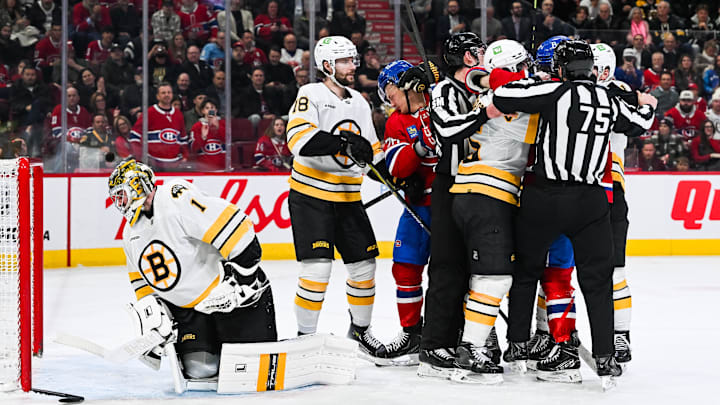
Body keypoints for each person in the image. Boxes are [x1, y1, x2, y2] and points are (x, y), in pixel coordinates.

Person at [489, 40, 656, 380]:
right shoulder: (608, 98)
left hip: (545, 196)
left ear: (562, 69)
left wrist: (534, 80)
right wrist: (648, 101)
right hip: (591, 201)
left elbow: (503, 97)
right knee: (597, 281)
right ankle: (607, 354)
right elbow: (641, 123)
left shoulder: (554, 92)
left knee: (527, 272)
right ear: (591, 70)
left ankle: (518, 342)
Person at [108, 159, 277, 380]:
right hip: (188, 315)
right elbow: (142, 284)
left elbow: (237, 228)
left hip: (232, 301)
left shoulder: (175, 198)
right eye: (116, 198)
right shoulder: (130, 235)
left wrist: (243, 283)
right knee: (201, 372)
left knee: (251, 372)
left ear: (138, 185)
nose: (120, 203)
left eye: (122, 195)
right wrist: (155, 321)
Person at [285, 36, 388, 360]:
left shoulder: (359, 100)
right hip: (311, 197)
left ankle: (360, 333)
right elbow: (299, 139)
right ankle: (304, 339)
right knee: (316, 271)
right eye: (344, 61)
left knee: (364, 267)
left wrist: (396, 178)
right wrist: (343, 144)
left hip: (348, 198)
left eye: (353, 60)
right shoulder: (310, 94)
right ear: (327, 65)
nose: (352, 66)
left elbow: (371, 153)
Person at [419, 32, 493, 378]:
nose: (482, 54)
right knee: (447, 266)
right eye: (477, 51)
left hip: (482, 186)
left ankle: (470, 340)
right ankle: (434, 343)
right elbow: (448, 130)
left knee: (474, 267)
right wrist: (485, 112)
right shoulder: (444, 91)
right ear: (465, 57)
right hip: (452, 187)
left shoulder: (482, 88)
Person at [376, 60, 438, 366]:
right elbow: (398, 166)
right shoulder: (396, 122)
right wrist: (418, 149)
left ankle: (449, 336)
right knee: (404, 268)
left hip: (449, 206)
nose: (387, 99)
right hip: (417, 207)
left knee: (449, 275)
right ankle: (412, 334)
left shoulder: (441, 103)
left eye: (389, 90)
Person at [129, 82, 189, 170]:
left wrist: (185, 156)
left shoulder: (178, 114)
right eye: (163, 93)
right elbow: (134, 136)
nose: (167, 95)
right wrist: (141, 157)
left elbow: (183, 139)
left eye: (169, 92)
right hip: (154, 165)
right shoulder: (149, 112)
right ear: (157, 96)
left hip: (175, 164)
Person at [189, 98, 227, 171]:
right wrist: (203, 137)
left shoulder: (223, 123)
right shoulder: (197, 126)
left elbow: (227, 142)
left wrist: (217, 127)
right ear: (203, 111)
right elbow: (193, 148)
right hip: (204, 168)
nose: (210, 110)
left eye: (212, 107)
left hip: (222, 167)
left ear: (216, 110)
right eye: (207, 108)